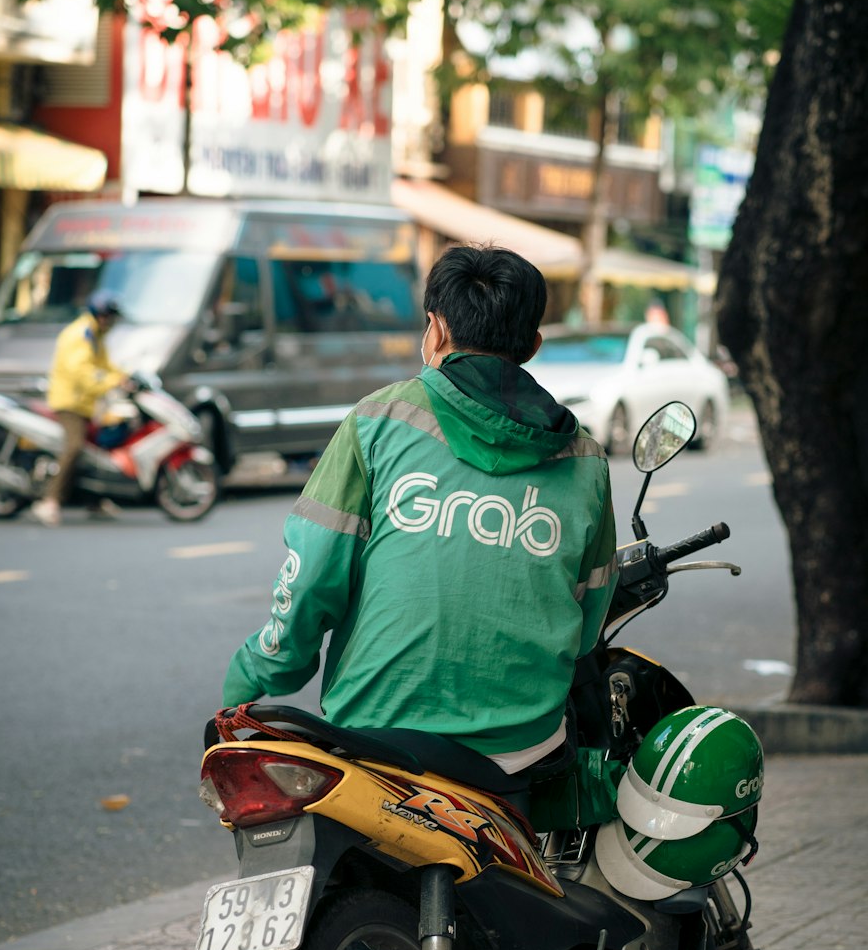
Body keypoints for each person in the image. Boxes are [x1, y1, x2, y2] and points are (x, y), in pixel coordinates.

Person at [223, 243, 618, 780]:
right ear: (532, 345)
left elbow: (312, 578)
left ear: (435, 330)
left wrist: (254, 674)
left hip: (376, 734)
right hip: (520, 749)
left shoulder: (378, 422)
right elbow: (588, 621)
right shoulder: (587, 460)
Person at [31, 292, 128, 526]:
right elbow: (82, 372)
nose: (111, 322)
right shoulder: (81, 335)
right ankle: (50, 501)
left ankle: (93, 500)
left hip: (85, 403)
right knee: (74, 447)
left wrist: (125, 377)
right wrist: (111, 382)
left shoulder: (96, 335)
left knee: (96, 451)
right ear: (100, 315)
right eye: (109, 316)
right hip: (69, 403)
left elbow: (106, 366)